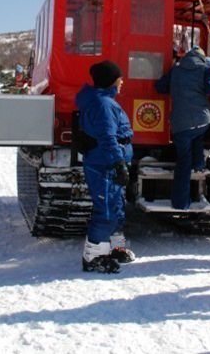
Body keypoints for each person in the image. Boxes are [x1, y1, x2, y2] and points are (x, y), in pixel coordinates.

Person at [75, 60, 134, 274]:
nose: (122, 82)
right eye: (119, 79)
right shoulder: (103, 104)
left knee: (116, 207)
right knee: (107, 210)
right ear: (110, 81)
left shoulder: (104, 101)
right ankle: (93, 257)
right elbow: (108, 137)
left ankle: (114, 248)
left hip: (108, 162)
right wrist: (118, 163)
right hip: (105, 163)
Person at [155, 46, 210, 210]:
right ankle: (199, 164)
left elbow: (159, 87)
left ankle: (181, 201)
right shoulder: (206, 69)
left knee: (183, 160)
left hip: (180, 124)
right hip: (201, 121)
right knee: (197, 137)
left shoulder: (176, 69)